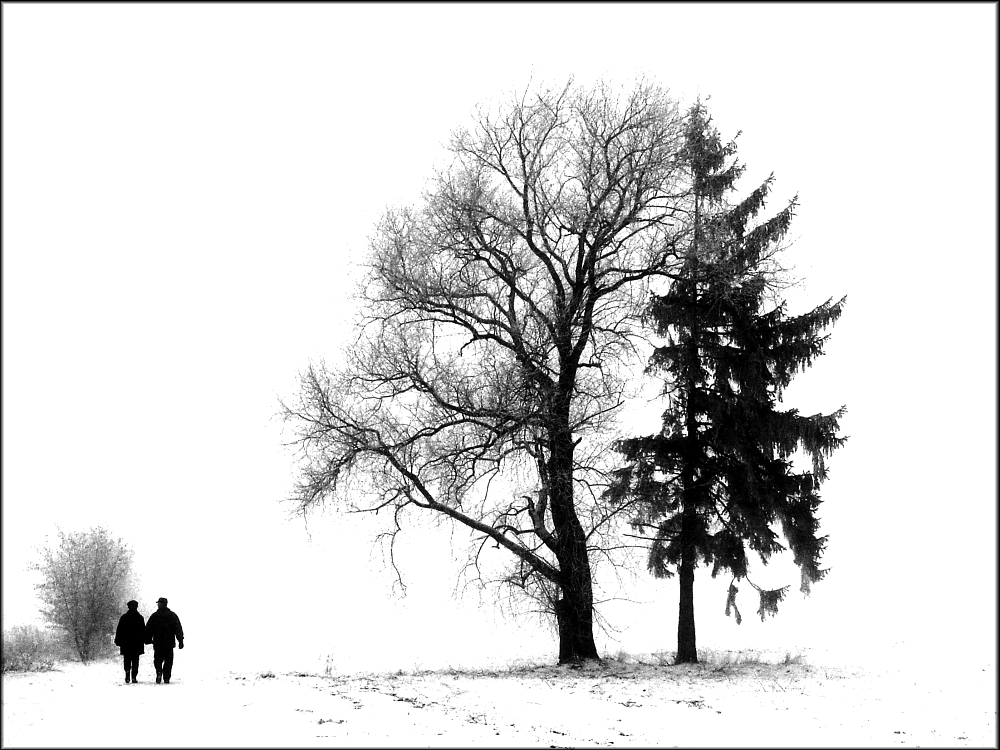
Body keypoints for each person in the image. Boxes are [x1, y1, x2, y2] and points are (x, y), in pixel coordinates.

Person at [144, 597, 184, 684]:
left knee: (158, 659)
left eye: (159, 603)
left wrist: (147, 639)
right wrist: (180, 640)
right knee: (168, 660)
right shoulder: (172, 615)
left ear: (161, 604)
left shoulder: (155, 616)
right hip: (169, 642)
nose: (158, 605)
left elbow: (149, 629)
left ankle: (159, 671)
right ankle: (166, 677)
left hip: (158, 642)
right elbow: (178, 629)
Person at [114, 600, 146, 684]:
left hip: (126, 643)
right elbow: (143, 631)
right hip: (137, 643)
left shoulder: (124, 617)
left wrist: (117, 640)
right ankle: (134, 676)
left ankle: (127, 672)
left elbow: (119, 630)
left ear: (128, 607)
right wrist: (146, 639)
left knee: (127, 659)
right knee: (135, 660)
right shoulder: (140, 618)